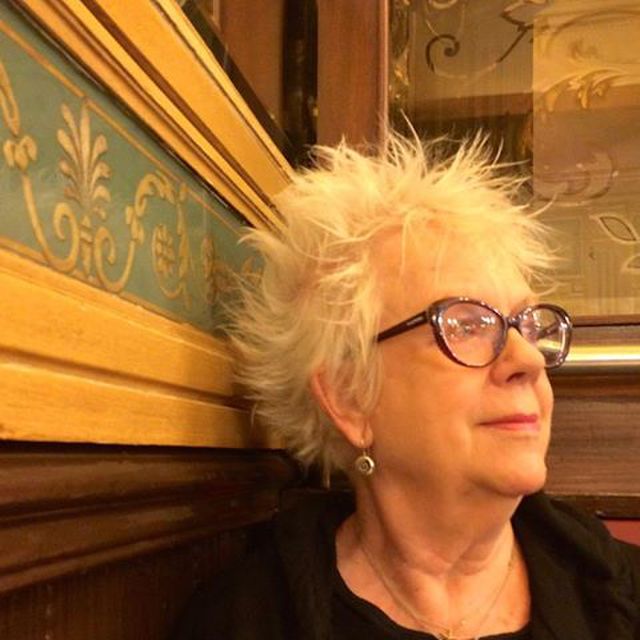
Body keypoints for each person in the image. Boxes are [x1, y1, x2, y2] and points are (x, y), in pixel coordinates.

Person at [172, 134, 640, 639]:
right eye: (466, 324)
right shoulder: (245, 621)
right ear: (350, 397)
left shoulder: (621, 596)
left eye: (525, 323)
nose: (527, 358)